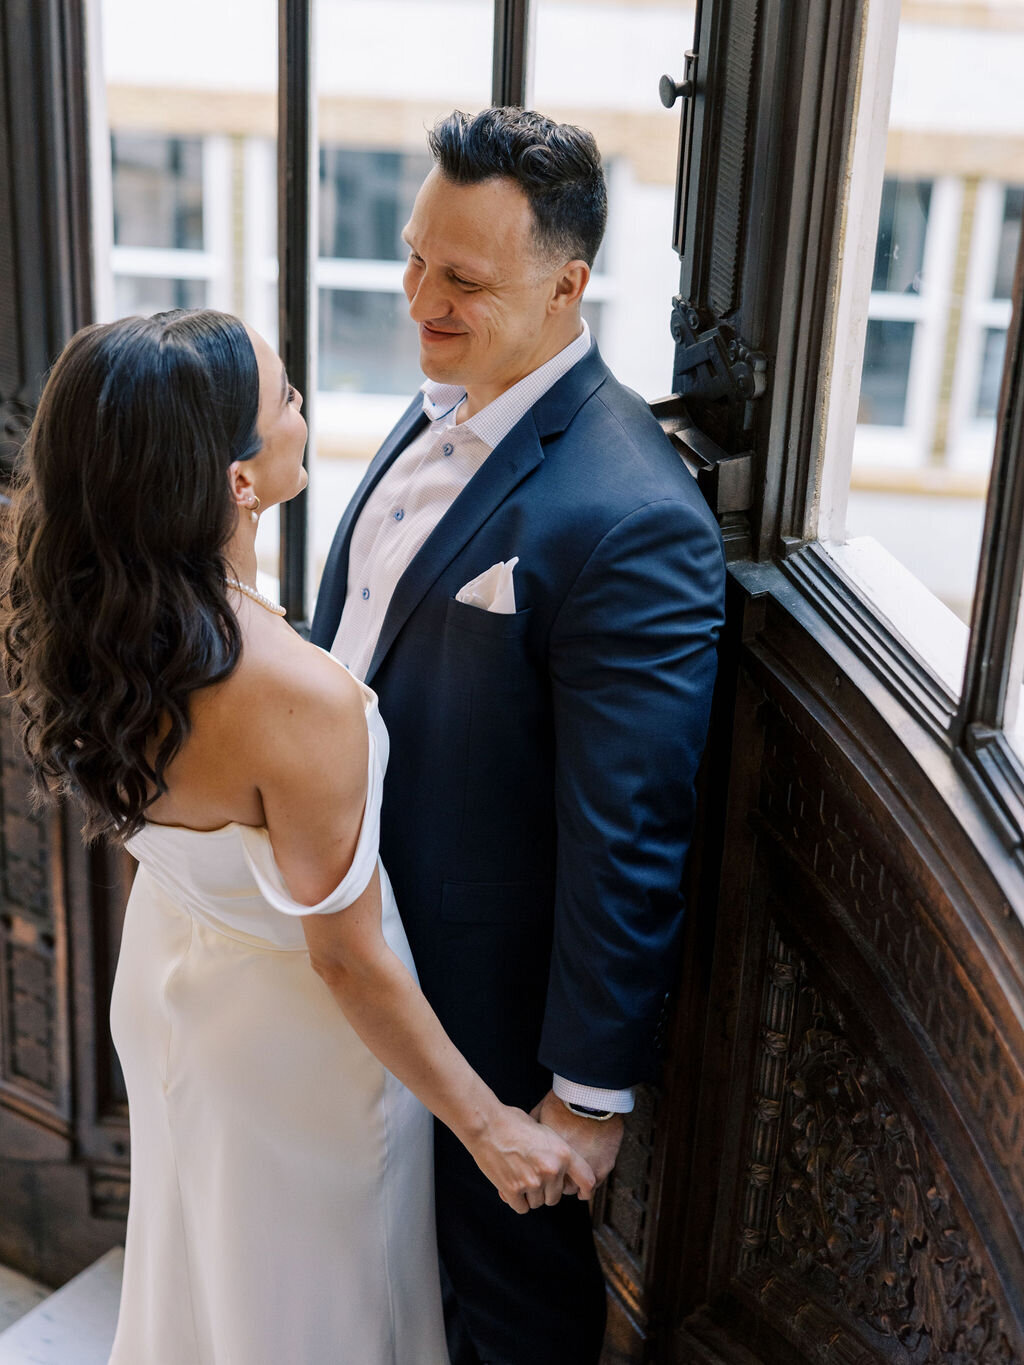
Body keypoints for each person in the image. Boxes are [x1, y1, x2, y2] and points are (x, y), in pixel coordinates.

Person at [0, 308, 596, 1365]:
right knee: (324, 1312)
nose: (303, 406)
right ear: (236, 480)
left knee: (211, 1277)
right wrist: (488, 1127)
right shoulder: (293, 697)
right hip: (296, 1046)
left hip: (172, 985)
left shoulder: (100, 622)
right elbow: (347, 958)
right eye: (282, 398)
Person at [311, 107, 727, 1365]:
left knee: (506, 1310)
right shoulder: (450, 386)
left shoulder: (629, 514)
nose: (419, 300)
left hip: (478, 1009)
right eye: (415, 258)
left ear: (569, 285)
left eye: (464, 280)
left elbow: (629, 827)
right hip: (356, 948)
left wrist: (586, 1095)